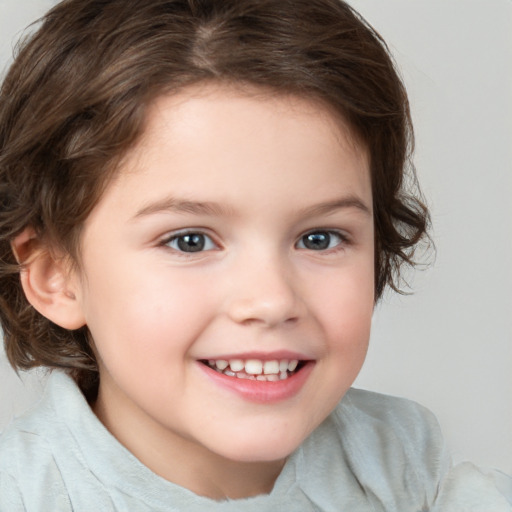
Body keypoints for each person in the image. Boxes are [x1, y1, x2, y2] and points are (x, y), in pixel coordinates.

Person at [0, 0, 510, 510]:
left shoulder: (406, 467)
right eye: (189, 241)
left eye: (319, 238)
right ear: (54, 275)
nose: (270, 300)